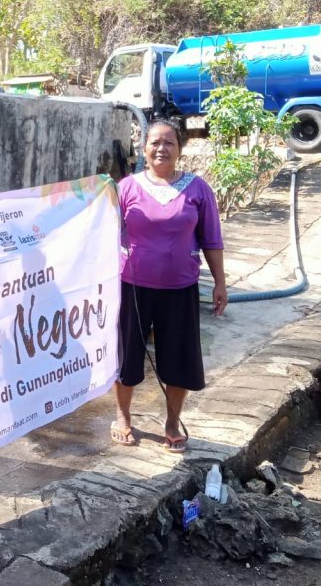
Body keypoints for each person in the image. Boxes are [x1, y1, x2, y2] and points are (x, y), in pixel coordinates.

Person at [111, 119, 227, 451]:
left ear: (179, 149)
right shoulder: (126, 188)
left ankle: (173, 422)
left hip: (180, 289)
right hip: (132, 286)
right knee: (127, 356)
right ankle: (122, 416)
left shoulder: (197, 189)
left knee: (179, 359)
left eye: (169, 143)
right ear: (144, 149)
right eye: (154, 142)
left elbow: (212, 240)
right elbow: (101, 232)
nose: (161, 148)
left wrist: (220, 283)